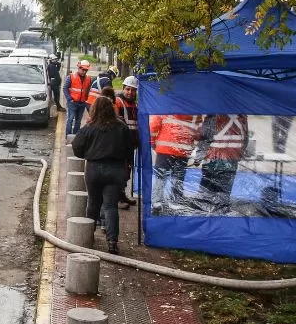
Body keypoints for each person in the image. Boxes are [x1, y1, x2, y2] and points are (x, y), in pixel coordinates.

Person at [71, 95, 135, 253]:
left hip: (93, 168)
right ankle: (112, 242)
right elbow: (130, 148)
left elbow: (76, 146)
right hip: (115, 169)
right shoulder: (121, 127)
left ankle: (88, 235)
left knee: (93, 203)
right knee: (110, 206)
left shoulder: (90, 127)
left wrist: (87, 154)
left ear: (94, 109)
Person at [149, 113, 201, 209]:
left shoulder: (165, 108)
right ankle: (175, 201)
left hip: (165, 148)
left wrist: (152, 141)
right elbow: (198, 132)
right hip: (183, 150)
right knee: (178, 176)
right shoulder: (194, 112)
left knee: (161, 175)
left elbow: (154, 125)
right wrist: (193, 146)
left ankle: (156, 201)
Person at [198, 114, 248, 208]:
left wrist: (199, 157)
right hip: (232, 160)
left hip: (213, 159)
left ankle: (205, 211)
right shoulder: (241, 117)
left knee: (207, 193)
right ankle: (220, 211)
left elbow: (205, 137)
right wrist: (238, 154)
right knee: (224, 192)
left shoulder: (213, 115)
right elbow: (245, 139)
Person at [115, 76, 140, 209]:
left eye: (133, 90)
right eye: (128, 89)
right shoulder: (118, 102)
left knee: (127, 171)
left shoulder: (133, 105)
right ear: (123, 89)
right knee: (120, 172)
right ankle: (118, 199)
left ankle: (122, 195)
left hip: (130, 145)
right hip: (120, 145)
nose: (130, 92)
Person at [62, 60, 94, 135]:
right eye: (83, 70)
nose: (84, 72)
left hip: (82, 103)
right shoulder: (71, 77)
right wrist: (69, 98)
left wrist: (87, 100)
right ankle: (68, 136)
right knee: (70, 119)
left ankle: (76, 136)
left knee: (78, 121)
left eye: (86, 70)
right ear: (79, 68)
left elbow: (89, 90)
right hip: (72, 102)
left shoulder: (88, 79)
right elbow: (65, 88)